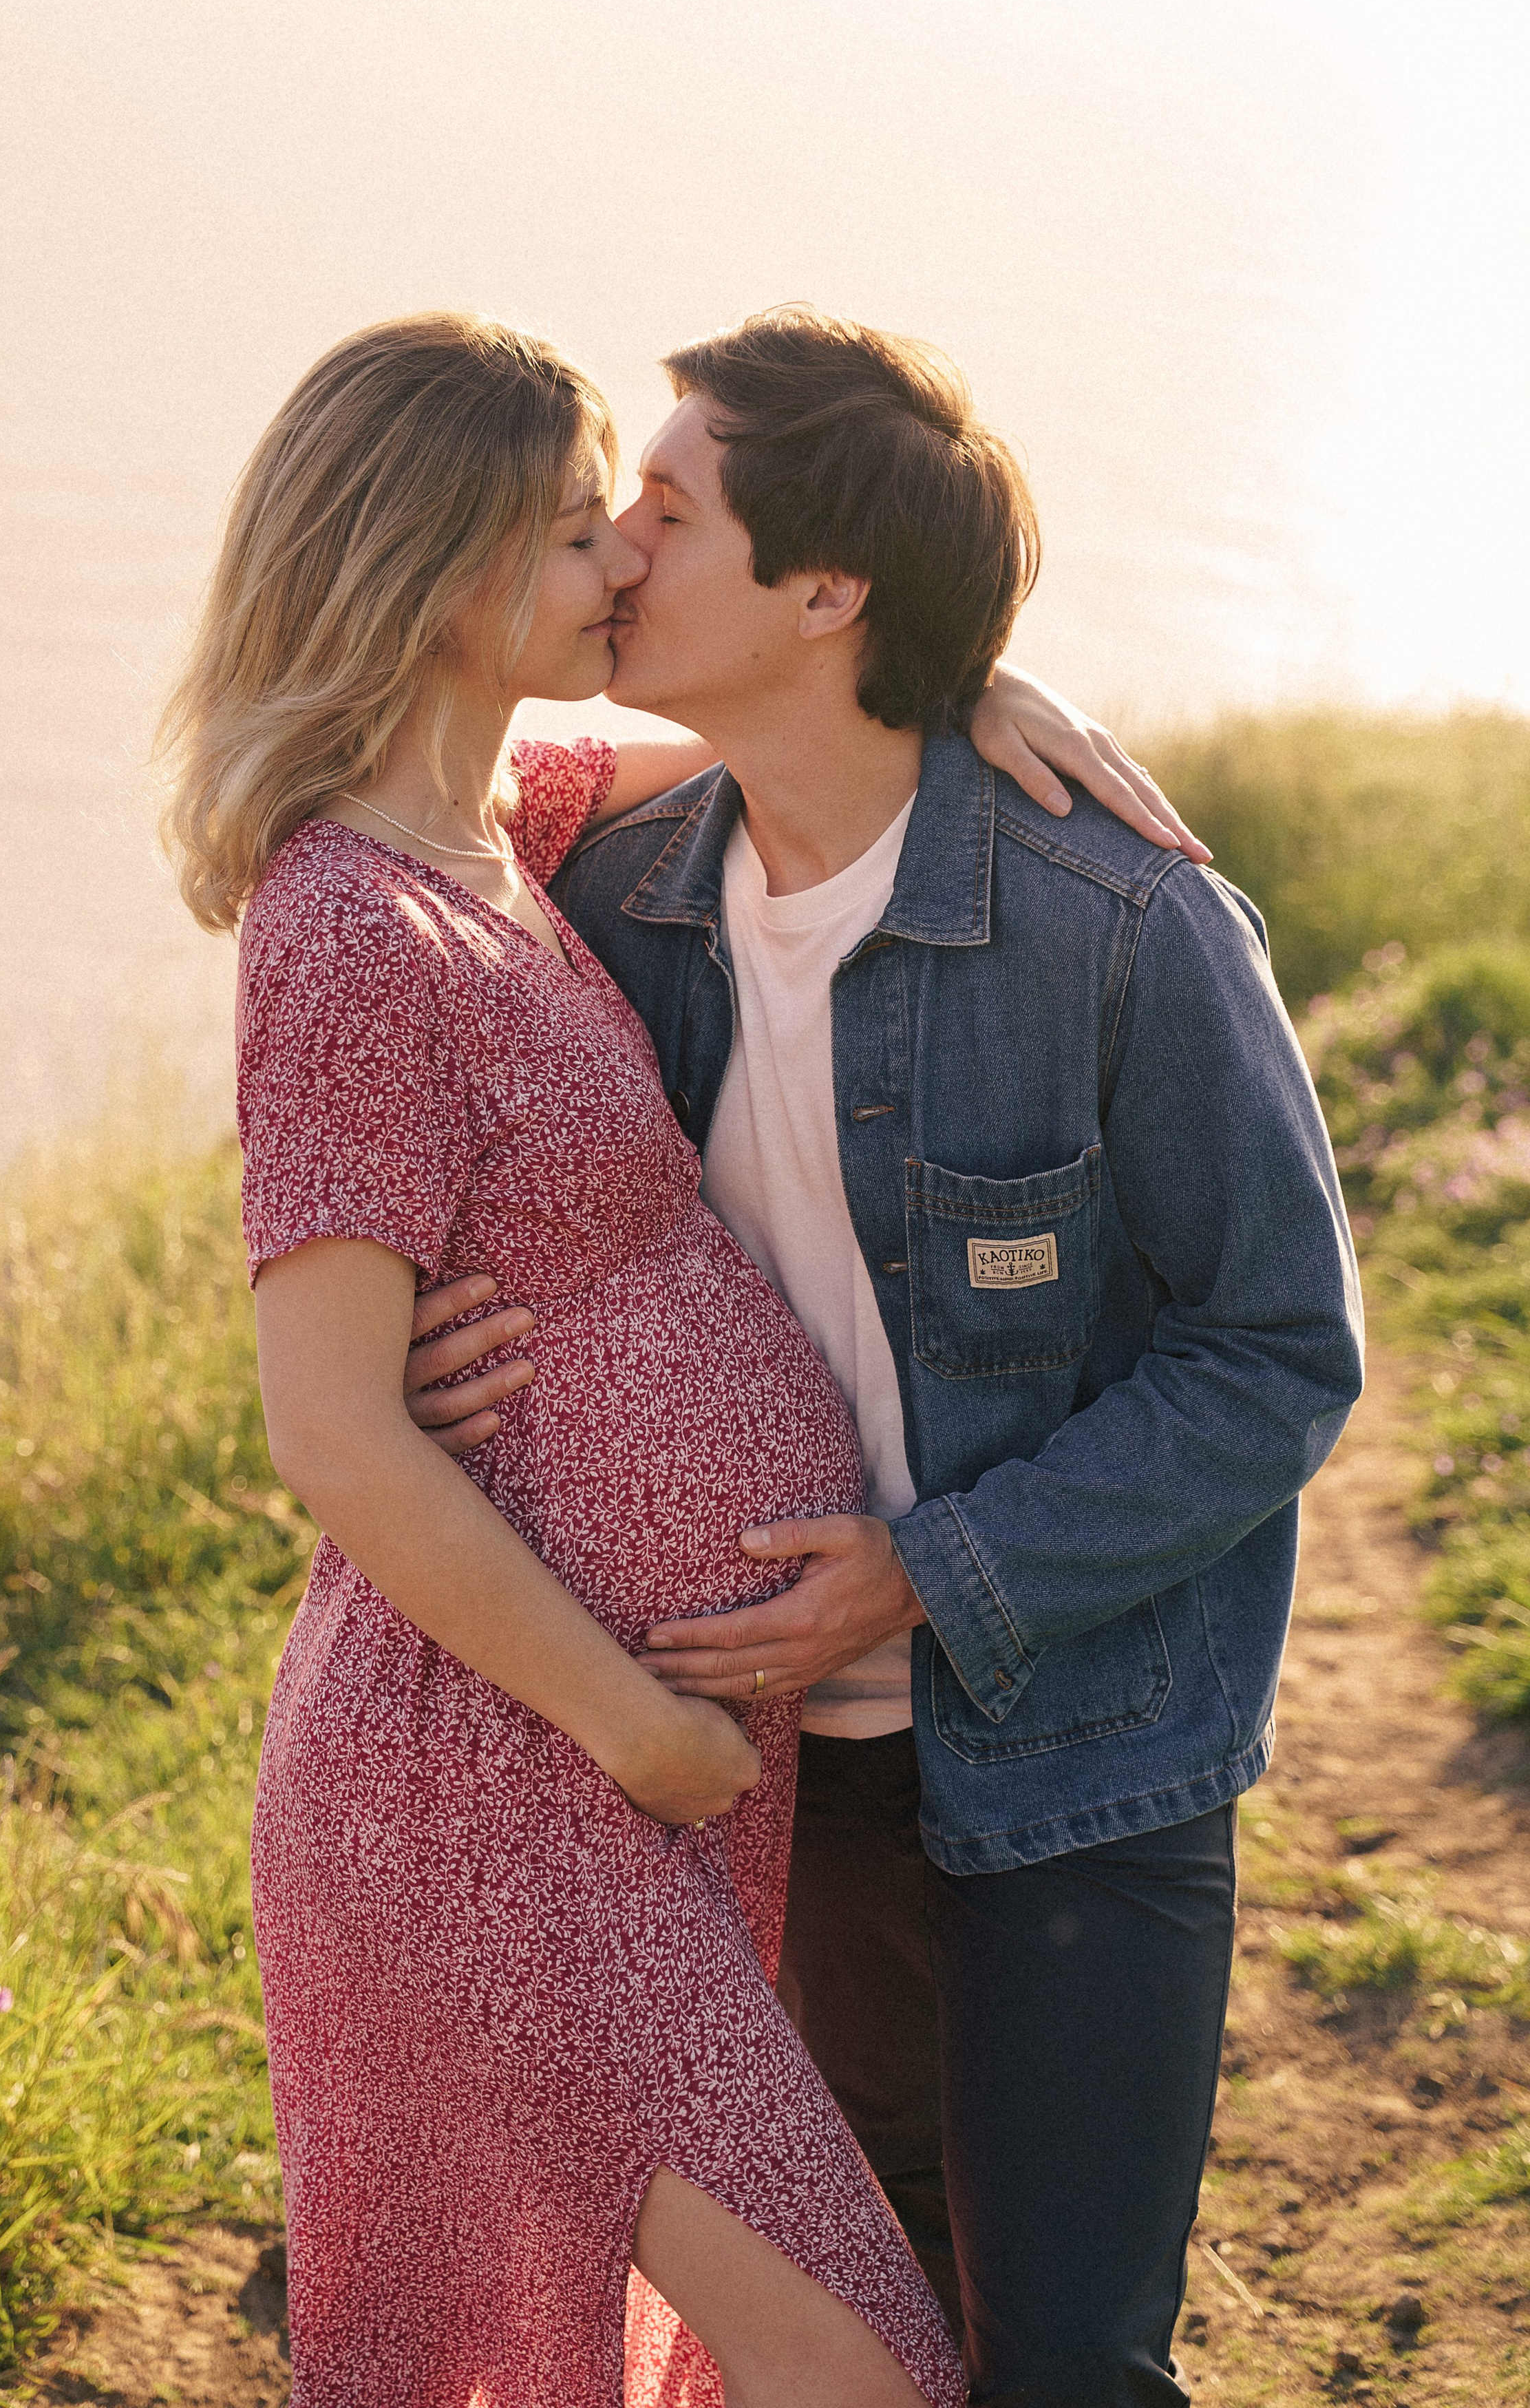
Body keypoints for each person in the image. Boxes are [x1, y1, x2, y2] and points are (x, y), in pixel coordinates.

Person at [153, 311, 1171, 2408]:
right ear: (434, 566)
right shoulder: (346, 925)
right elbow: (334, 1433)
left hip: (605, 1776)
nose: (621, 556)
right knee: (858, 2363)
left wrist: (972, 677)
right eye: (567, 529)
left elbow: (773, 746)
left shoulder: (492, 831)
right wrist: (637, 1724)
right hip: (496, 1796)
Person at [405, 307, 1366, 2407]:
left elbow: (1280, 1352)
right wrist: (424, 1359)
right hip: (772, 1775)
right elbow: (378, 939)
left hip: (1083, 1764)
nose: (617, 549)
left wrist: (934, 1573)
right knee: (875, 2346)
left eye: (670, 511)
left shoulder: (1119, 924)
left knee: (1065, 2363)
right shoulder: (609, 897)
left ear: (826, 590)